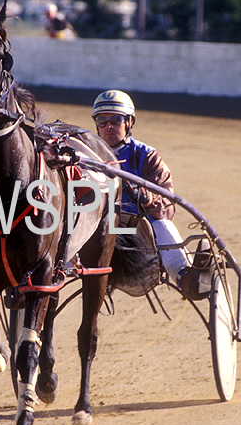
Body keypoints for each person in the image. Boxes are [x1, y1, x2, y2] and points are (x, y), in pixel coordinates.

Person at [91, 90, 213, 300]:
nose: (108, 126)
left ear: (129, 122)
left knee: (162, 225)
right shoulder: (87, 155)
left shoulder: (147, 157)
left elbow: (167, 205)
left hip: (139, 231)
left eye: (116, 120)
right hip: (98, 227)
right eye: (102, 121)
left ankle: (186, 278)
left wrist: (147, 197)